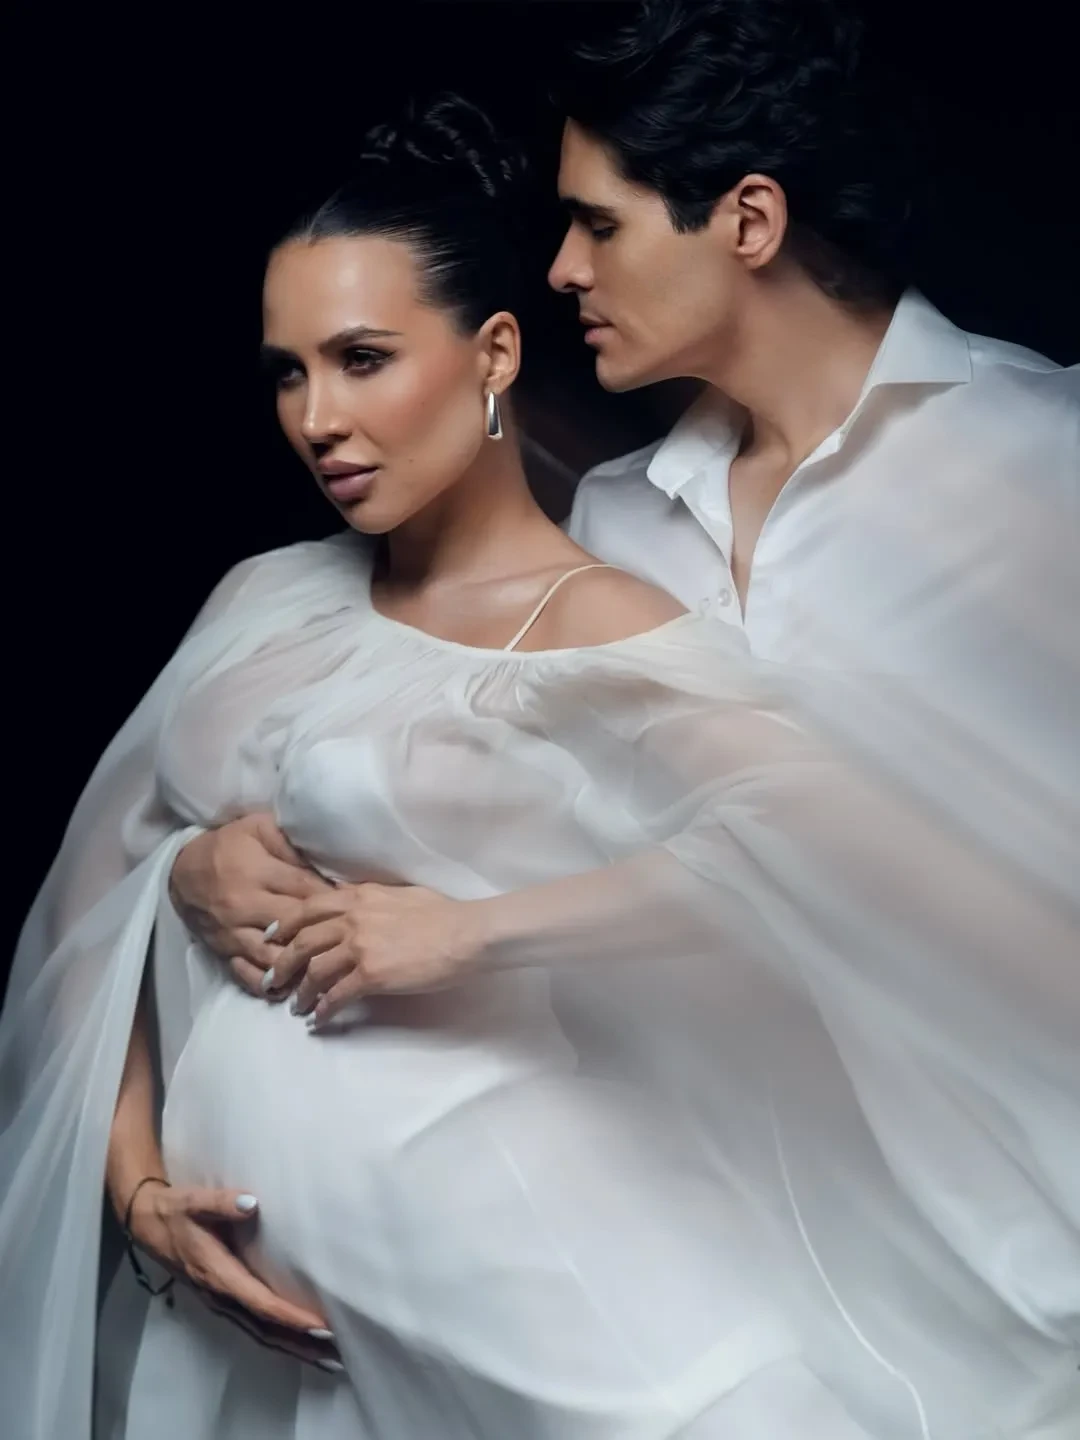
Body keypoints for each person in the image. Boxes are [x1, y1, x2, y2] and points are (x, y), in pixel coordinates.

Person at [161, 3, 1079, 1435]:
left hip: (1035, 1234)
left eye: (598, 225)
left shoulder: (1046, 465)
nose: (562, 267)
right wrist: (200, 864)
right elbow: (466, 818)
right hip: (749, 1247)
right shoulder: (610, 523)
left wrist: (473, 935)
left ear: (750, 220)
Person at [2, 93, 924, 1440]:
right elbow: (83, 913)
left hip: (517, 1269)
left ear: (494, 352)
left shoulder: (595, 622)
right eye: (287, 372)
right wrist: (137, 1178)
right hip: (249, 1318)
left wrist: (470, 936)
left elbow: (828, 848)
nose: (317, 418)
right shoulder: (263, 595)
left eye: (363, 359)